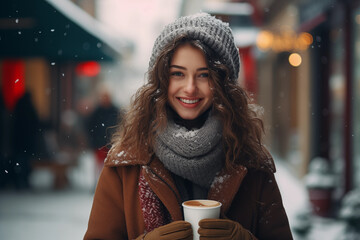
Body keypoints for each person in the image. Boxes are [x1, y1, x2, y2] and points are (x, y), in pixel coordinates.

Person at [84, 13, 293, 240]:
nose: (190, 88)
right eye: (178, 74)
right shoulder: (126, 164)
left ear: (223, 83)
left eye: (204, 75)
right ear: (162, 79)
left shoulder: (251, 163)